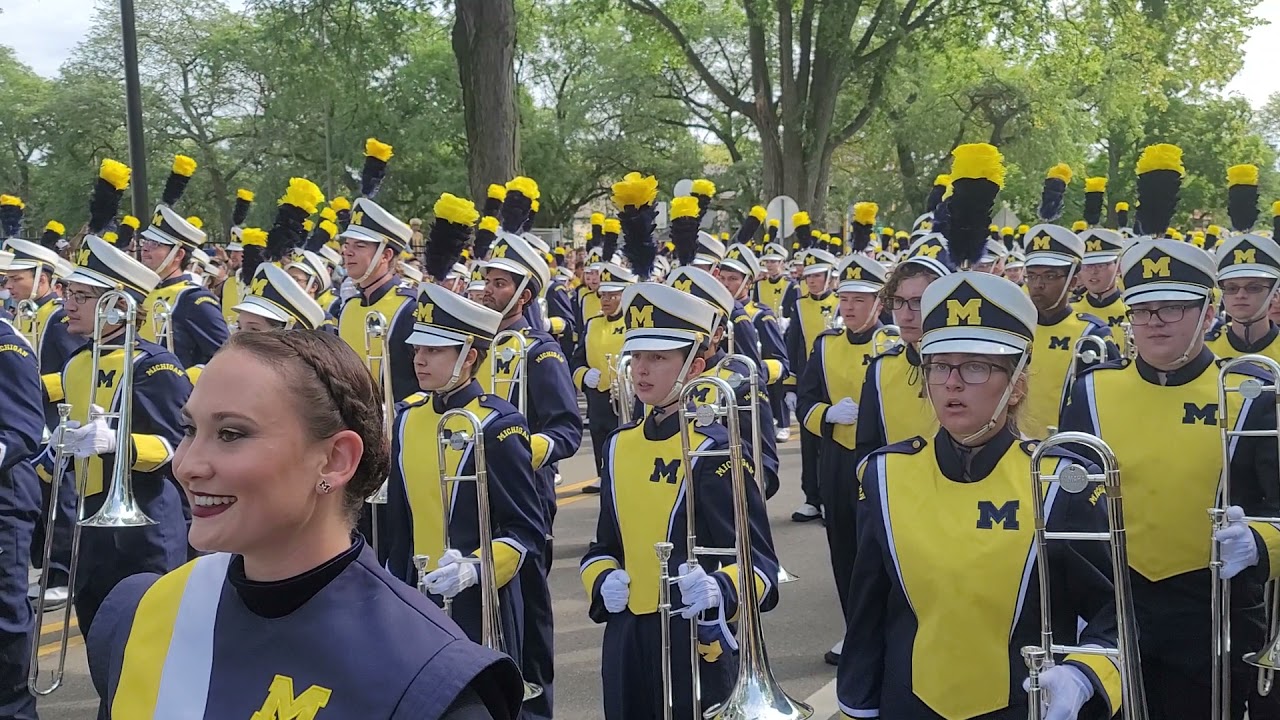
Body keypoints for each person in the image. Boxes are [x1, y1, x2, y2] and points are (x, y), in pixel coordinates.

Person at [86, 329, 524, 719]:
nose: (186, 465)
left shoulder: (425, 676)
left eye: (231, 434)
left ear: (335, 460)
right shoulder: (143, 612)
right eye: (188, 429)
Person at [838, 268, 1122, 720]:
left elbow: (1115, 613)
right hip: (910, 703)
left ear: (1017, 387)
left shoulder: (1059, 482)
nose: (951, 382)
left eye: (975, 366)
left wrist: (1083, 675)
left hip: (1022, 703)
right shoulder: (884, 475)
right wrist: (858, 704)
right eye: (939, 365)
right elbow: (869, 611)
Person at [1058, 144, 1280, 719]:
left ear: (1209, 314)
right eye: (1141, 309)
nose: (1153, 321)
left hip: (1216, 607)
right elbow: (1069, 505)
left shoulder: (1251, 392)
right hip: (1114, 603)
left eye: (1172, 308)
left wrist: (1258, 542)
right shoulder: (1090, 391)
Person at [580, 281, 779, 720]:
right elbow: (603, 546)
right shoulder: (618, 445)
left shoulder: (717, 450)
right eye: (637, 357)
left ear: (694, 366)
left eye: (659, 357)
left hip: (696, 639)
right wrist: (601, 579)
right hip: (628, 636)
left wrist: (721, 588)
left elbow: (761, 567)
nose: (641, 370)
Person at [383, 284, 546, 687]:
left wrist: (475, 568)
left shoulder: (498, 425)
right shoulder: (407, 418)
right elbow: (399, 520)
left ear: (469, 357)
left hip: (479, 598)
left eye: (434, 350)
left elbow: (526, 531)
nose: (419, 360)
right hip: (415, 593)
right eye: (417, 349)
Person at [40, 235, 192, 634]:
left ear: (117, 306)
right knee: (99, 636)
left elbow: (177, 446)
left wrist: (116, 445)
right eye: (69, 293)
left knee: (148, 641)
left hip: (145, 527)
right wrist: (57, 451)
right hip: (90, 523)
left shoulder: (155, 366)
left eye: (82, 296)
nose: (68, 304)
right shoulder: (76, 363)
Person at [475, 230, 581, 720]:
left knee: (529, 607)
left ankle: (536, 705)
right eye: (489, 281)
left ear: (525, 294)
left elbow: (566, 428)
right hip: (473, 489)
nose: (489, 290)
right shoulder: (472, 343)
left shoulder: (541, 351)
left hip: (526, 493)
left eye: (501, 283)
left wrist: (524, 449)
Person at [796, 252, 887, 666]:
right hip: (837, 458)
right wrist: (827, 416)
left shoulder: (893, 345)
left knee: (882, 549)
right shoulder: (826, 344)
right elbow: (807, 400)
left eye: (860, 300)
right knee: (844, 548)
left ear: (879, 303)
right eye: (845, 299)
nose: (849, 308)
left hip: (881, 459)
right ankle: (855, 629)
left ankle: (888, 627)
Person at [852, 235, 950, 471]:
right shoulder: (880, 369)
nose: (905, 315)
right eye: (898, 301)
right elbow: (867, 452)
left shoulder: (974, 371)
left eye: (919, 302)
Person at [1019, 224, 1115, 436]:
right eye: (1032, 276)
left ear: (1072, 282)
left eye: (1050, 276)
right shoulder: (1013, 328)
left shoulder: (1092, 334)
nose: (1038, 284)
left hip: (1069, 452)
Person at [136, 160, 230, 368]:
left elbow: (225, 358)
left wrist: (182, 381)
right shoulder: (142, 292)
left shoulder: (194, 300)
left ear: (178, 255)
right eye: (146, 241)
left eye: (155, 244)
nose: (146, 248)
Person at [0, 310, 45, 719]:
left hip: (4, 501)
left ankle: (15, 710)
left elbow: (22, 431)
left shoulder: (7, 345)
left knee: (5, 619)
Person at [337, 198, 421, 402]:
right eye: (347, 244)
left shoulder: (410, 308)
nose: (347, 252)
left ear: (385, 255)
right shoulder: (349, 307)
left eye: (359, 245)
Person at [784, 247, 838, 522]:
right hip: (809, 383)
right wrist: (791, 386)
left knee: (831, 446)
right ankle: (811, 498)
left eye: (818, 275)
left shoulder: (843, 303)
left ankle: (832, 499)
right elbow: (793, 346)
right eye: (809, 276)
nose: (813, 281)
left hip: (837, 382)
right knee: (808, 443)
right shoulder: (800, 305)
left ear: (830, 276)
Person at [571, 262, 634, 492]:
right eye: (603, 295)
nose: (605, 301)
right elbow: (577, 360)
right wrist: (584, 375)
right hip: (599, 393)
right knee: (599, 432)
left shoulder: (632, 323)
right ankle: (602, 473)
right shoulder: (592, 324)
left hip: (628, 394)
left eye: (612, 296)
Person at [1205, 232, 1280, 362]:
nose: (1240, 295)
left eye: (1253, 288)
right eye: (1231, 288)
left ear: (1274, 294)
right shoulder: (1205, 348)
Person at [1071, 228, 1129, 346]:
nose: (1093, 271)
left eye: (1101, 265)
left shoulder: (1131, 309)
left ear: (1118, 267)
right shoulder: (1070, 309)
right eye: (1087, 266)